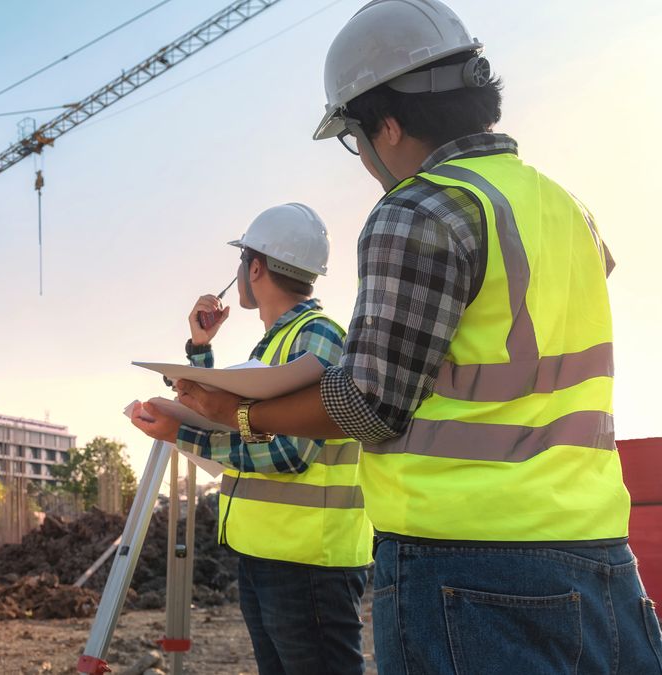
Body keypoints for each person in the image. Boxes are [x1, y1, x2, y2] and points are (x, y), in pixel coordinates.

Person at [171, 1, 662, 672]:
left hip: (467, 562)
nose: (365, 159)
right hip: (599, 551)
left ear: (389, 125)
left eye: (355, 138)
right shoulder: (568, 208)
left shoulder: (419, 207)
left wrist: (243, 414)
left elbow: (370, 403)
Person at [131, 204, 372, 675]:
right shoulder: (278, 344)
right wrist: (200, 350)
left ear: (255, 267)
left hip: (309, 562)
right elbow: (236, 423)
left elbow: (289, 451)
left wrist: (181, 433)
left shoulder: (317, 337)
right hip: (267, 555)